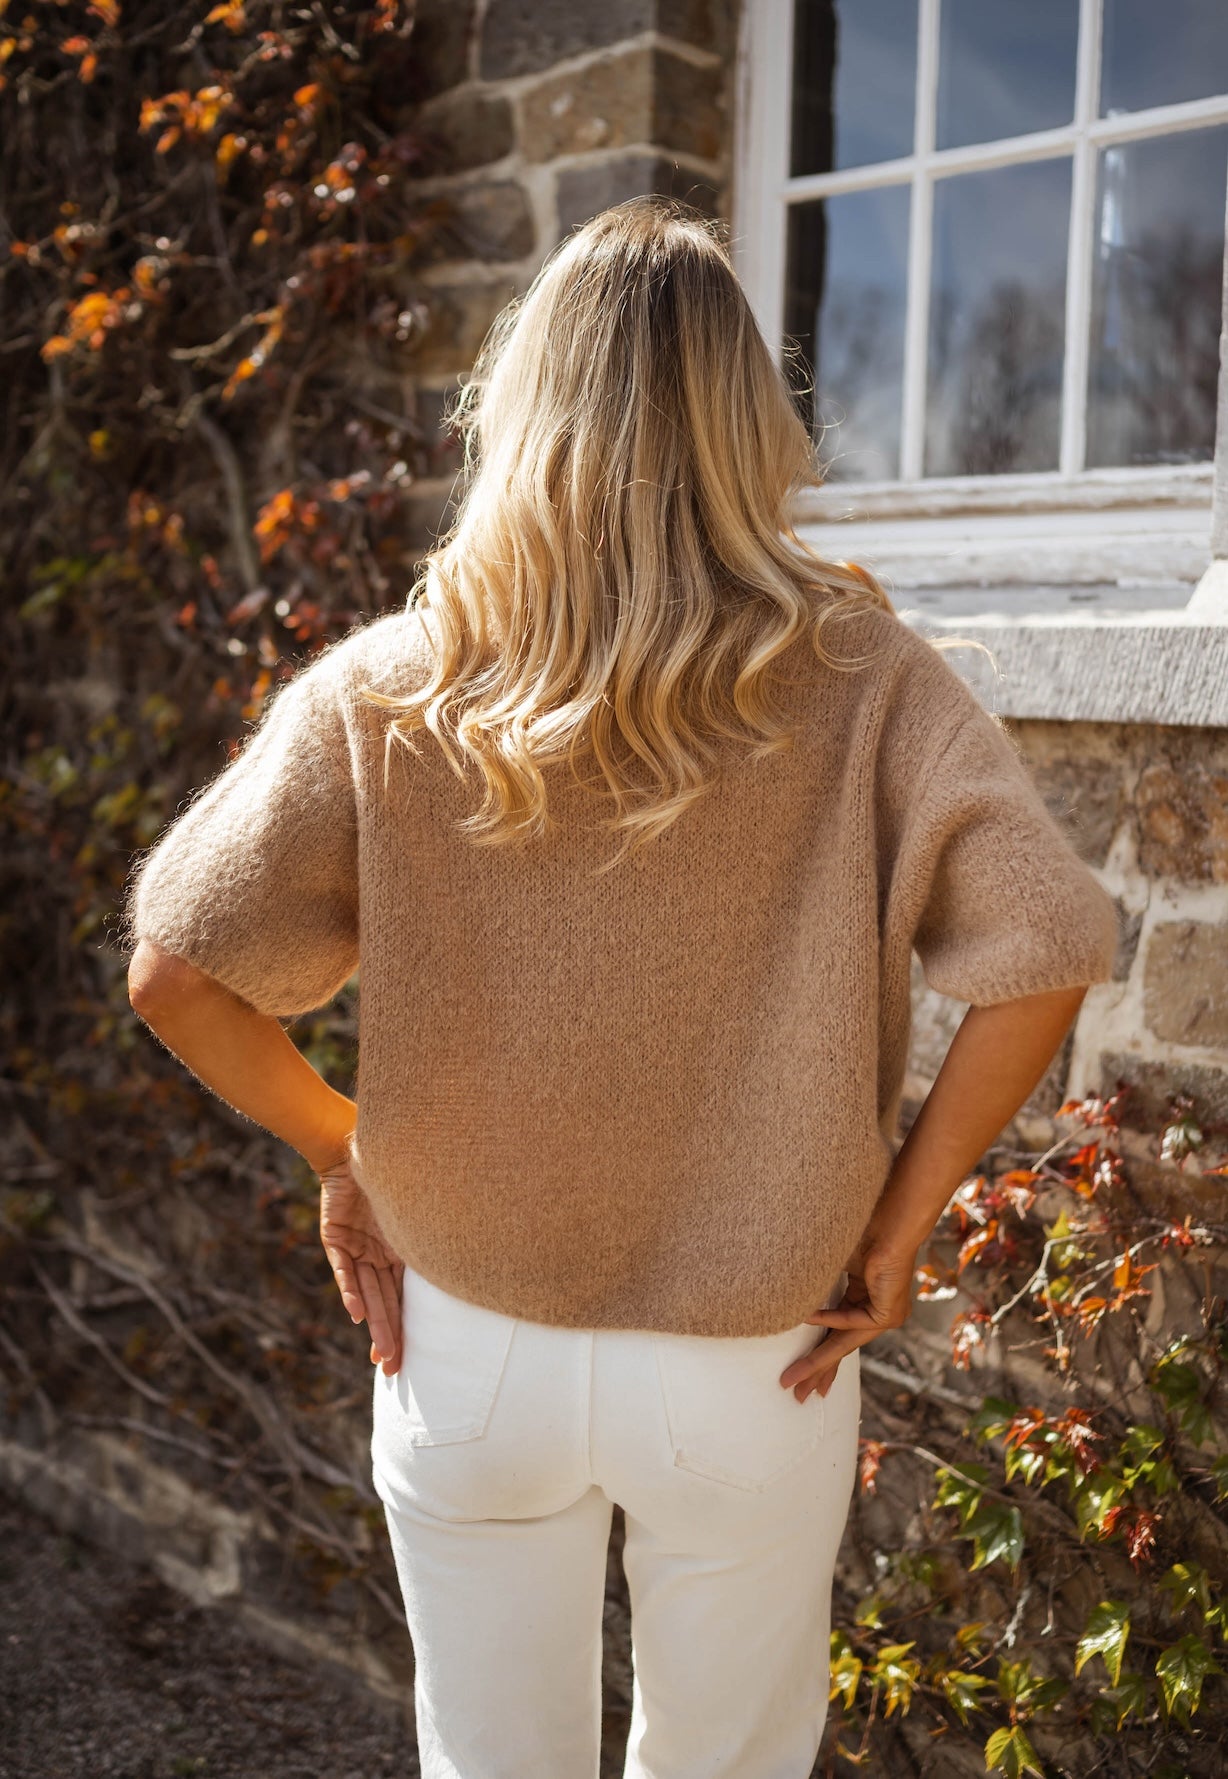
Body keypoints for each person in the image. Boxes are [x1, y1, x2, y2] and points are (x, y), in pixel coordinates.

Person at [122, 197, 1120, 1779]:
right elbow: (1050, 948)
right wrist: (899, 1221)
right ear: (751, 424)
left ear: (521, 410)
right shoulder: (863, 673)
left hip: (463, 1346)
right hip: (756, 1350)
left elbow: (176, 971)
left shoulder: (400, 679)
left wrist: (342, 1151)